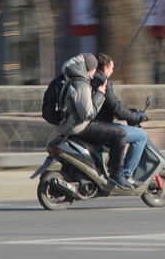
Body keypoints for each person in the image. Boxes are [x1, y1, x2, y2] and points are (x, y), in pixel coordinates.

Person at [56, 52, 131, 190]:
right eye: (94, 69)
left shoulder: (67, 77)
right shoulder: (81, 84)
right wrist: (101, 93)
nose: (95, 72)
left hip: (65, 126)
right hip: (78, 127)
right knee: (119, 134)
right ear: (89, 68)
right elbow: (88, 114)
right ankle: (117, 174)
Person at [92, 53, 149, 187]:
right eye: (112, 68)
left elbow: (110, 107)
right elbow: (116, 107)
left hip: (96, 124)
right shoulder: (103, 82)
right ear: (105, 68)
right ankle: (127, 174)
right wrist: (136, 116)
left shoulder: (91, 79)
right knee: (141, 135)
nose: (113, 71)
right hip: (102, 126)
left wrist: (126, 112)